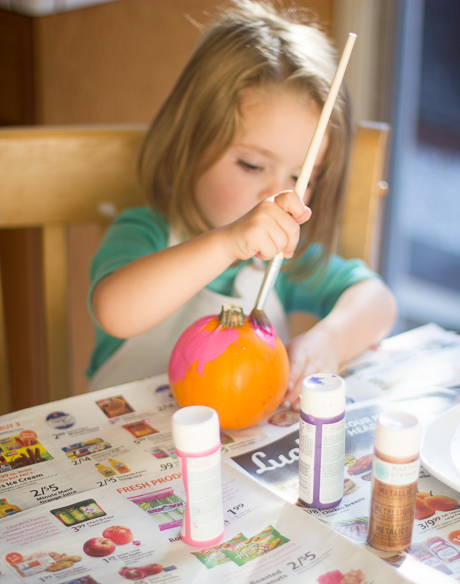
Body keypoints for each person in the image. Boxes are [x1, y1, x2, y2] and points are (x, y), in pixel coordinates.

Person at [88, 0, 397, 410]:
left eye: (300, 177)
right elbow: (115, 312)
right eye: (252, 165)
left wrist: (330, 340)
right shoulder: (145, 231)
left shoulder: (282, 258)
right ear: (189, 143)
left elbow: (377, 300)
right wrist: (226, 244)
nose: (277, 195)